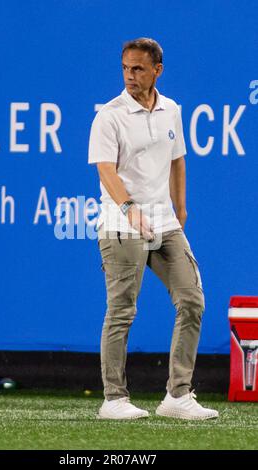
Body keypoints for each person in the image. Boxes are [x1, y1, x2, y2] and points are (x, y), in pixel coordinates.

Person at [88, 38, 218, 421]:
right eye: (126, 68)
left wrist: (180, 208)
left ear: (157, 70)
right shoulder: (109, 115)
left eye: (139, 68)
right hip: (121, 225)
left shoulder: (172, 110)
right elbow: (105, 169)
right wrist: (128, 209)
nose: (131, 75)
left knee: (192, 300)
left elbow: (178, 161)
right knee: (122, 312)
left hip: (165, 224)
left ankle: (177, 396)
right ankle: (113, 399)